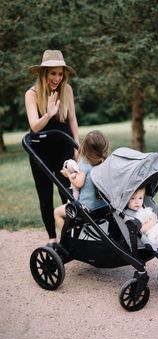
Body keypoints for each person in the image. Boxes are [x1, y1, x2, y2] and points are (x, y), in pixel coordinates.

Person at [25, 49, 79, 244]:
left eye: (60, 73)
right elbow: (34, 126)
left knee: (68, 192)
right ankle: (52, 238)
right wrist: (48, 113)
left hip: (64, 148)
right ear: (44, 73)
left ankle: (70, 235)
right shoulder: (31, 94)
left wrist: (77, 145)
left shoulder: (67, 90)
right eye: (52, 73)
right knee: (45, 195)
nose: (57, 78)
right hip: (40, 152)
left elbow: (72, 119)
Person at [54, 130, 109, 234]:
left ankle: (65, 240)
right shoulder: (105, 162)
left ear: (85, 148)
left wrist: (68, 175)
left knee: (57, 212)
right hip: (103, 206)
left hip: (86, 208)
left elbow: (79, 183)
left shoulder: (85, 163)